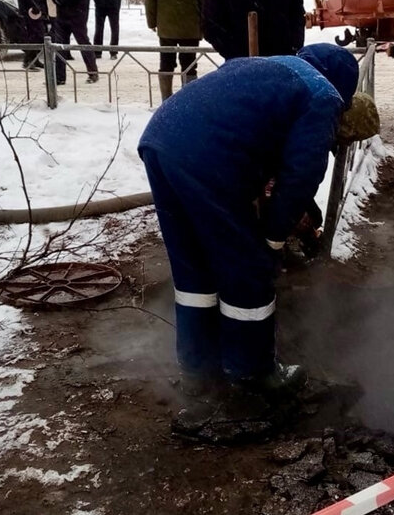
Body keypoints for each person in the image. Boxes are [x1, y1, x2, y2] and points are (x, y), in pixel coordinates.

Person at [137, 43, 379, 436]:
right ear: (345, 91)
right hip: (207, 156)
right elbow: (301, 176)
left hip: (160, 139)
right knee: (247, 267)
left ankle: (198, 369)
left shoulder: (273, 69)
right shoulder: (323, 96)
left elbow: (262, 154)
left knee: (194, 267)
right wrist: (273, 239)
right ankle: (252, 371)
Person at [144, 0, 208, 99]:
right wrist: (205, 24)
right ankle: (188, 98)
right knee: (189, 65)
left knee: (166, 63)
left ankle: (166, 99)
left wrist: (152, 22)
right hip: (190, 28)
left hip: (166, 29)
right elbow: (206, 0)